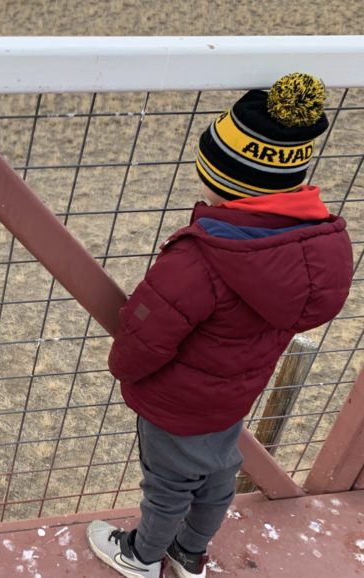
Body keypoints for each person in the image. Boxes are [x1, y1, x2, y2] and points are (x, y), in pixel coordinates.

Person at [87, 73, 353, 578]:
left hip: (177, 402)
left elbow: (145, 336)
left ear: (225, 180)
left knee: (167, 484)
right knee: (218, 473)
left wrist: (125, 370)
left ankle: (141, 557)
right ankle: (191, 555)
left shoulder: (200, 259)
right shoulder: (315, 247)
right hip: (234, 395)